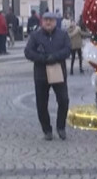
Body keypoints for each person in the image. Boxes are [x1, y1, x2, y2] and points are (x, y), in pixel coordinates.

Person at [24, 12, 71, 141]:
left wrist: (55, 56)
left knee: (64, 100)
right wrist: (43, 58)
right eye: (46, 20)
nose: (48, 23)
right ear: (42, 22)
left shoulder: (63, 35)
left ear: (55, 22)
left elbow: (68, 49)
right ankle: (47, 129)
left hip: (58, 73)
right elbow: (28, 52)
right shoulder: (35, 36)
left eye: (50, 20)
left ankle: (60, 126)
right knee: (41, 104)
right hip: (41, 74)